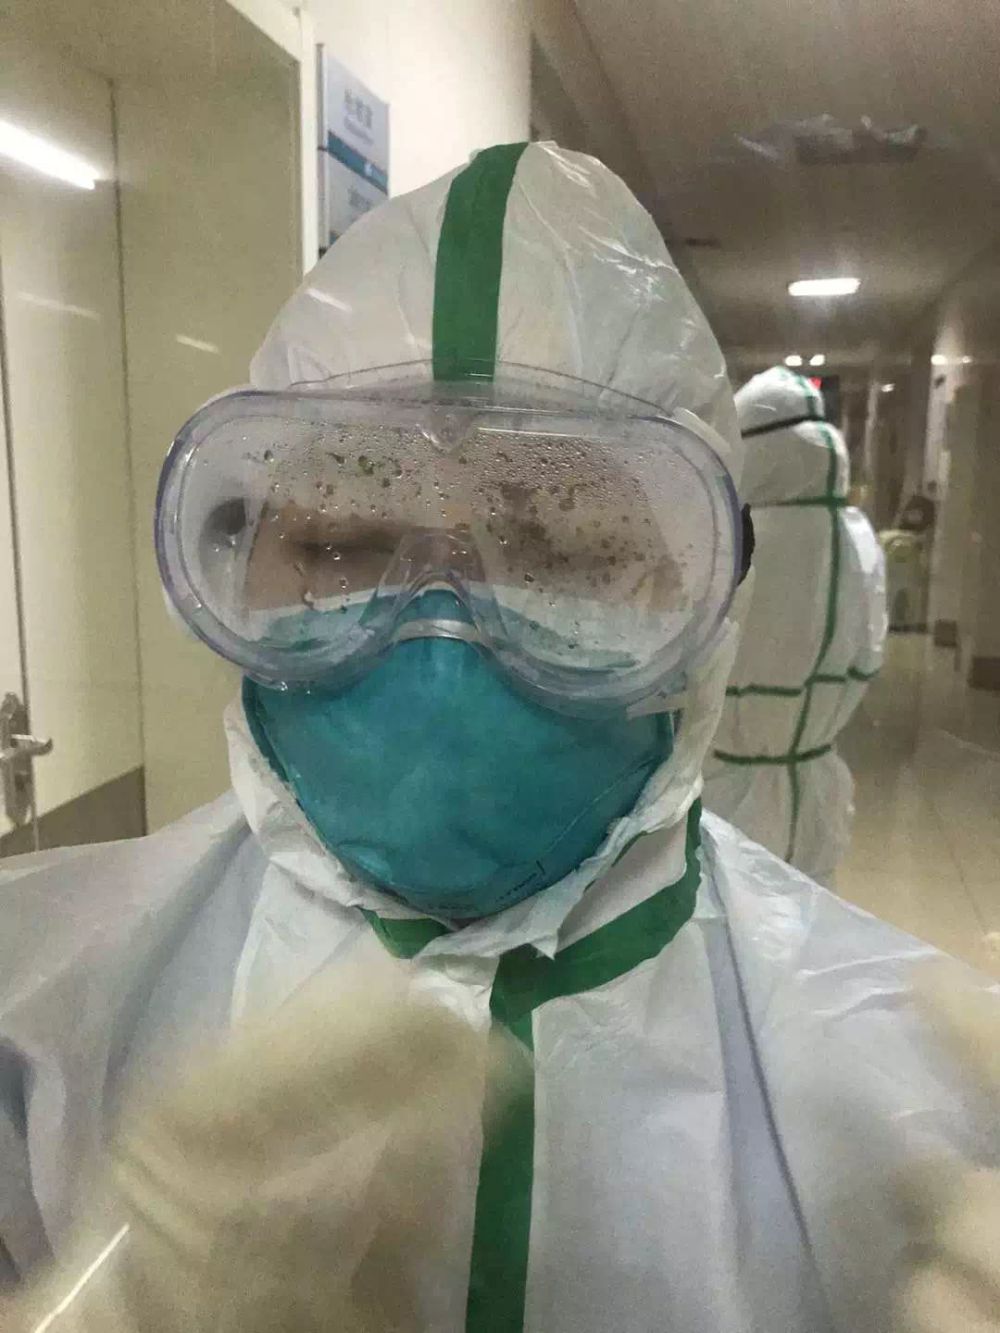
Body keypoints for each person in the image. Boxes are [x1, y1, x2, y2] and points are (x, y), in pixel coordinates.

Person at [0, 142, 994, 1333]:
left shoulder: (912, 1119)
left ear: (707, 604)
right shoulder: (33, 1012)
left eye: (563, 553)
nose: (442, 634)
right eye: (339, 545)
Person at [703, 366, 886, 883]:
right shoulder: (858, 537)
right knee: (809, 907)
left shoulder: (729, 541)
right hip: (816, 783)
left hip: (727, 783)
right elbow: (868, 653)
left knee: (732, 911)